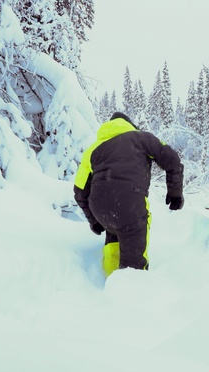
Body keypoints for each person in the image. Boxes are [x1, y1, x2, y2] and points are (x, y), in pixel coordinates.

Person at [73, 112, 183, 276]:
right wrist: (175, 193)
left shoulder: (92, 150)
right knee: (134, 264)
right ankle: (131, 292)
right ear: (129, 124)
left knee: (114, 236)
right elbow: (172, 160)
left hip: (101, 209)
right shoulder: (141, 138)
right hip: (129, 205)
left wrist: (95, 221)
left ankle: (107, 283)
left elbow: (80, 191)